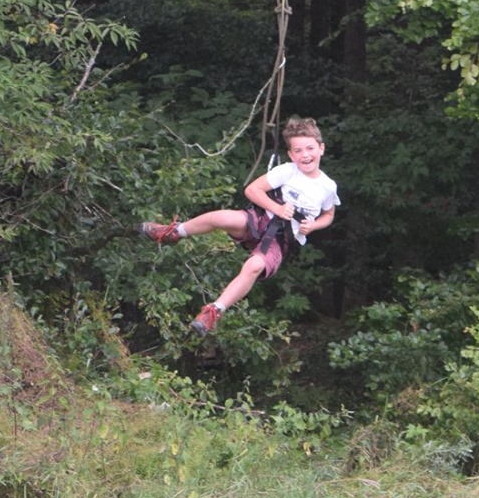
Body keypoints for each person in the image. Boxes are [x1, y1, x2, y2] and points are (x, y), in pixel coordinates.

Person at [141, 117, 340, 337]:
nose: (305, 155)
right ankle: (174, 232)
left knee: (254, 266)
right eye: (298, 150)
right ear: (291, 155)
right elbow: (252, 190)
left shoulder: (327, 187)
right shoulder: (287, 171)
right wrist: (277, 208)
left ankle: (214, 311)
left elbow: (329, 215)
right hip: (259, 218)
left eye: (310, 148)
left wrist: (313, 225)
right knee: (222, 217)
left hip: (280, 239)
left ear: (321, 149)